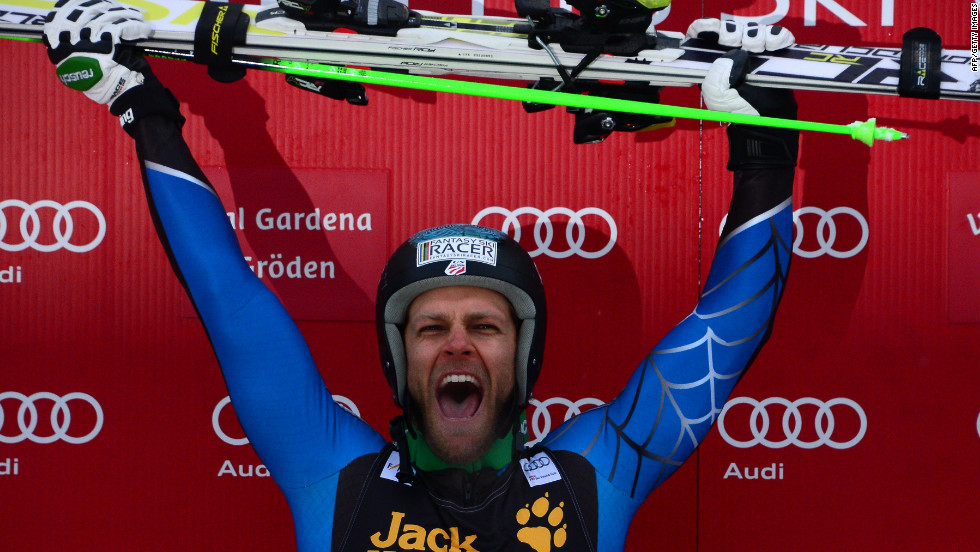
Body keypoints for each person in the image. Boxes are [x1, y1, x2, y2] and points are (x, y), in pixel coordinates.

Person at [43, 1, 799, 550]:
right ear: (398, 355)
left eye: (485, 326)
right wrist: (139, 104)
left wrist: (765, 145)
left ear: (524, 355)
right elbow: (230, 300)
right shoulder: (332, 475)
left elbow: (721, 337)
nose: (458, 346)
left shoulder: (592, 481)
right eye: (431, 327)